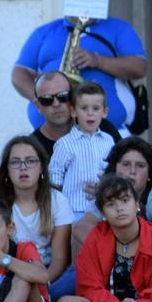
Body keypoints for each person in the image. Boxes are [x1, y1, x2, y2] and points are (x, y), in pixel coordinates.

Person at [11, 0, 147, 135]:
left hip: (108, 133)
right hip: (51, 134)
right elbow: (19, 72)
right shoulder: (44, 33)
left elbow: (139, 67)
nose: (83, 0)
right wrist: (43, 99)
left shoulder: (118, 28)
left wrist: (98, 61)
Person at [0, 135, 76, 301]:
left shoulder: (57, 200)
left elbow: (60, 258)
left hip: (47, 275)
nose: (23, 167)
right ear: (6, 169)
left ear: (42, 166)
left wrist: (42, 284)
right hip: (7, 274)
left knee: (76, 277)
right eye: (15, 162)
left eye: (30, 161)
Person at [70, 136, 152, 258]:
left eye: (140, 165)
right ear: (114, 169)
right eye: (126, 164)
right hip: (112, 258)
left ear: (149, 174)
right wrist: (118, 250)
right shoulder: (106, 195)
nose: (132, 171)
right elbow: (81, 228)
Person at [48, 81, 116, 217]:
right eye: (84, 108)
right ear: (73, 111)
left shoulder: (109, 140)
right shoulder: (65, 144)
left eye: (96, 109)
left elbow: (113, 169)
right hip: (74, 210)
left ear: (104, 112)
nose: (90, 113)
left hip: (104, 209)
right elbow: (54, 177)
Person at [28, 70, 121, 160]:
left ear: (73, 97)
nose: (56, 104)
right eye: (47, 99)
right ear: (38, 106)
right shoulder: (31, 148)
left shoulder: (102, 128)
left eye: (63, 96)